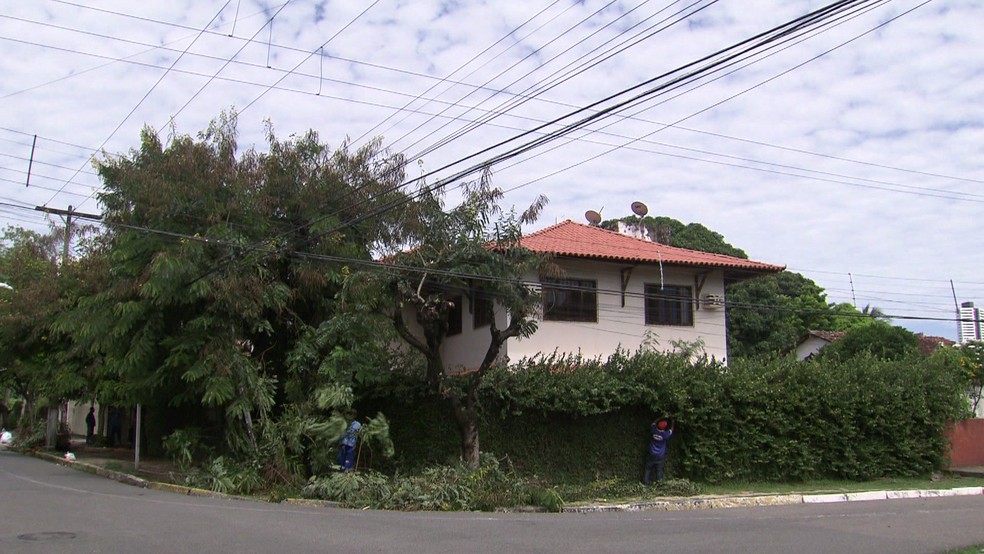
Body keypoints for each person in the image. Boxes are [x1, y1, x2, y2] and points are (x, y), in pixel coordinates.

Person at [643, 417, 674, 485]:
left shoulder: (654, 430)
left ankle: (645, 484)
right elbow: (671, 430)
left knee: (648, 469)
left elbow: (653, 423)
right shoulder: (665, 434)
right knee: (659, 470)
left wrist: (661, 417)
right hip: (660, 455)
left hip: (651, 453)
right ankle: (660, 484)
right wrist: (672, 421)